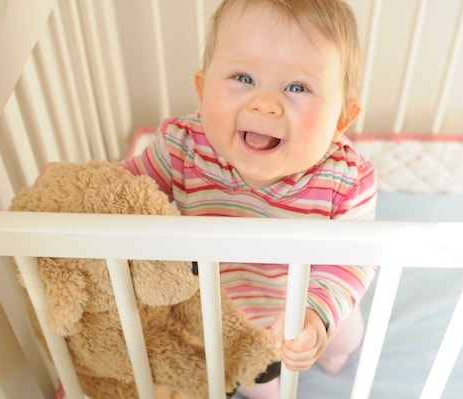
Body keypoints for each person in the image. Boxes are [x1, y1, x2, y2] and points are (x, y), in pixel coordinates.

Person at [121, 0, 377, 397]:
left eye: (297, 87)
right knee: (260, 386)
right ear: (203, 90)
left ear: (341, 119)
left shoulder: (347, 179)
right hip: (228, 313)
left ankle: (331, 349)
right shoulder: (182, 148)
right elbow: (126, 191)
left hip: (309, 295)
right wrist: (83, 182)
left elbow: (351, 261)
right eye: (243, 77)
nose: (265, 103)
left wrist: (318, 317)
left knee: (347, 337)